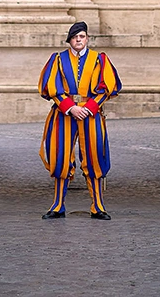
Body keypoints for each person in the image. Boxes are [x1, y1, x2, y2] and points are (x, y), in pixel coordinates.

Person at [38, 21, 122, 220]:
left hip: (91, 114)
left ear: (87, 39)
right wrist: (70, 108)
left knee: (95, 158)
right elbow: (52, 87)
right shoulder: (57, 59)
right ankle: (58, 205)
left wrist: (89, 108)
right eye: (75, 37)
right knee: (60, 158)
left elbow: (106, 87)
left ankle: (98, 206)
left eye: (82, 36)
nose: (78, 39)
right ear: (69, 40)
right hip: (64, 114)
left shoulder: (99, 59)